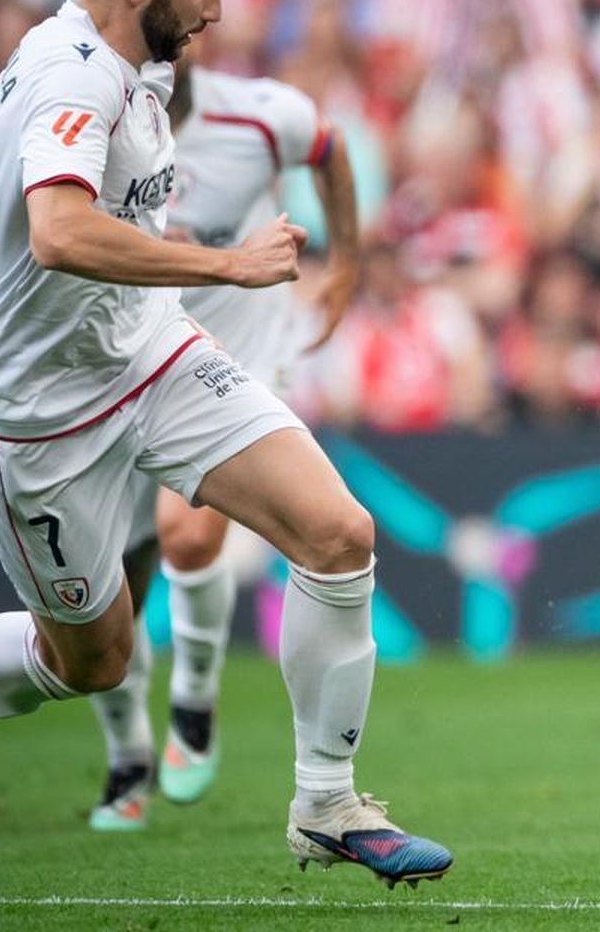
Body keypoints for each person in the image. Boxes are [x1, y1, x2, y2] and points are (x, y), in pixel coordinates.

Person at [0, 0, 450, 888]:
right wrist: (228, 263)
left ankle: (326, 803)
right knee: (89, 659)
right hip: (33, 417)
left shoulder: (124, 54)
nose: (218, 8)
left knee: (338, 534)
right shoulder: (75, 77)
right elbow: (57, 231)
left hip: (147, 350)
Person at [84, 45, 362, 831]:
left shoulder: (259, 115)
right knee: (108, 594)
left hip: (231, 356)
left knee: (188, 532)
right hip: (121, 361)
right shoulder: (83, 127)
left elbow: (330, 149)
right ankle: (128, 758)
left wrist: (346, 260)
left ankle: (195, 697)